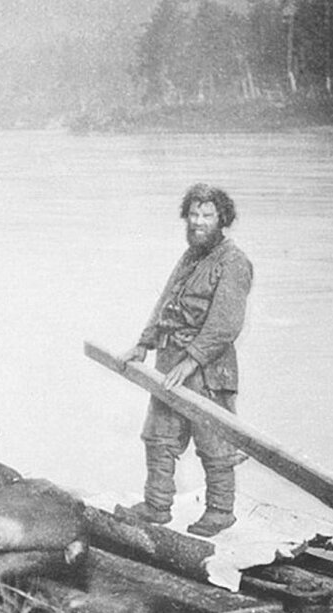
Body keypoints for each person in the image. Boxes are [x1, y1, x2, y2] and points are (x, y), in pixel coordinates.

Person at [119, 183, 253, 537]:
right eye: (193, 214)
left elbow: (226, 325)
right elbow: (167, 301)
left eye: (207, 215)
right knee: (159, 437)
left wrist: (190, 362)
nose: (198, 222)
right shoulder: (191, 255)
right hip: (170, 361)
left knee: (215, 444)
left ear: (222, 219)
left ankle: (221, 512)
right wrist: (144, 343)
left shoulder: (234, 261)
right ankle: (156, 506)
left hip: (209, 370)